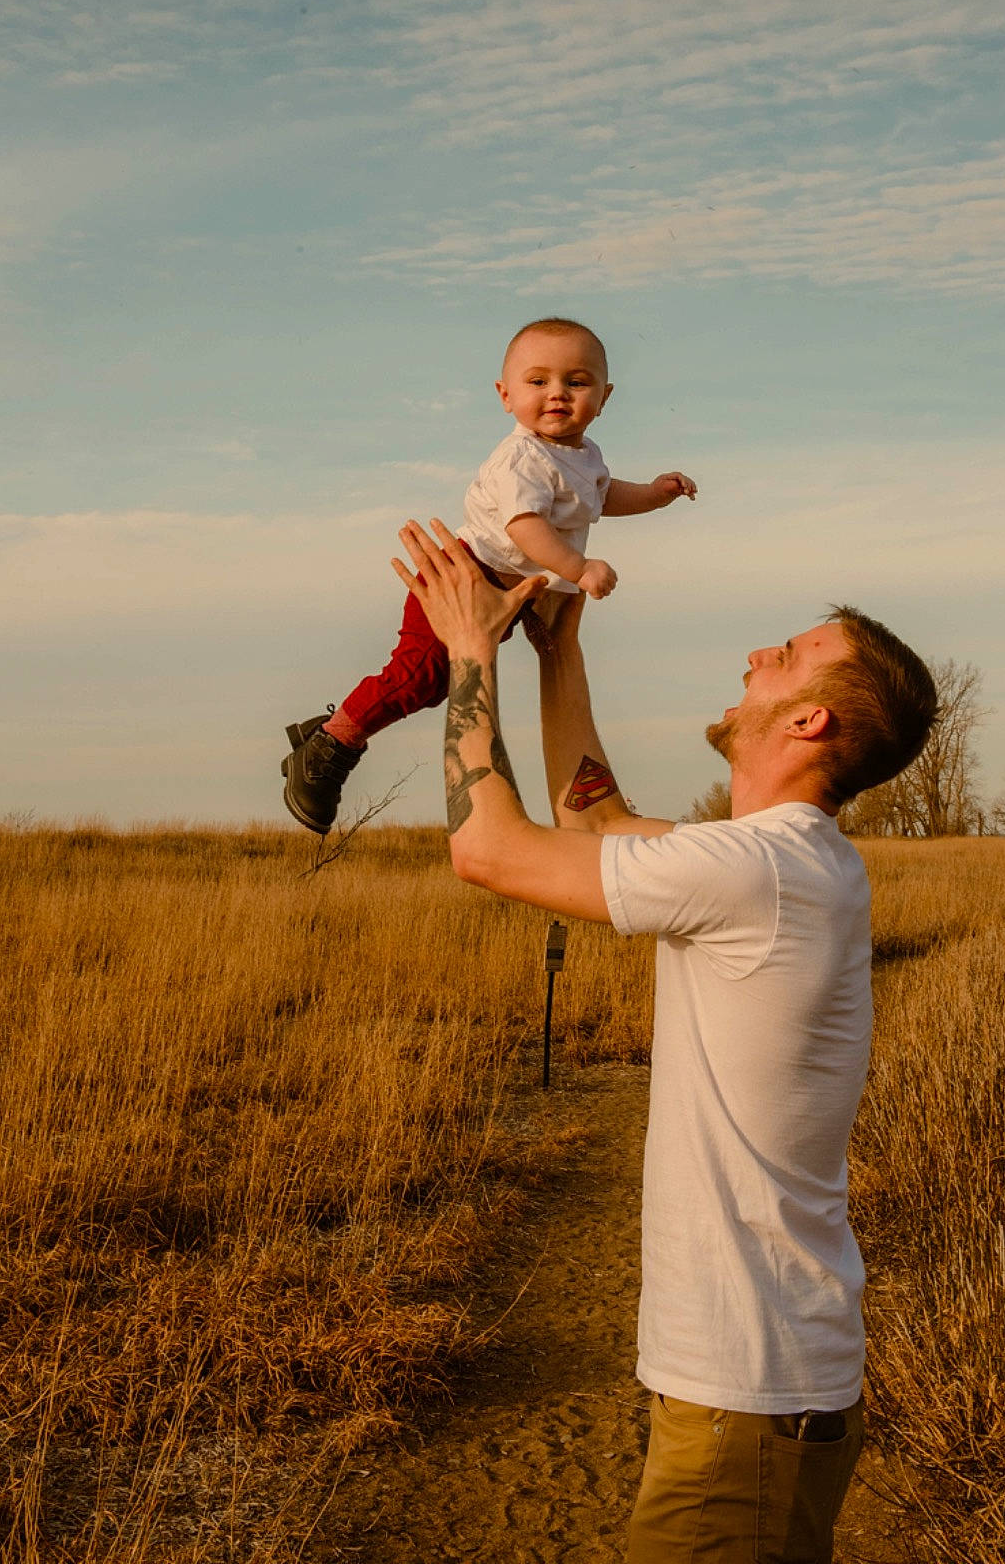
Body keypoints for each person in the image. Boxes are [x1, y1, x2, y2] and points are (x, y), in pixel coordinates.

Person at [388, 518, 937, 1564]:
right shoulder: (772, 858)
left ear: (810, 715)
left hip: (752, 1396)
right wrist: (558, 650)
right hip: (751, 1387)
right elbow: (589, 820)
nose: (754, 655)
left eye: (788, 653)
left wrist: (466, 652)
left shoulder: (759, 870)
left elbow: (488, 850)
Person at [282, 317, 695, 833]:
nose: (558, 394)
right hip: (465, 574)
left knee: (435, 685)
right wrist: (580, 567)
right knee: (419, 676)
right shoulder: (521, 457)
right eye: (538, 381)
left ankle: (328, 732)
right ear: (505, 395)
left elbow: (604, 496)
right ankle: (330, 745)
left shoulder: (583, 457)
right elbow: (526, 528)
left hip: (507, 588)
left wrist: (657, 493)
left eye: (577, 382)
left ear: (605, 397)